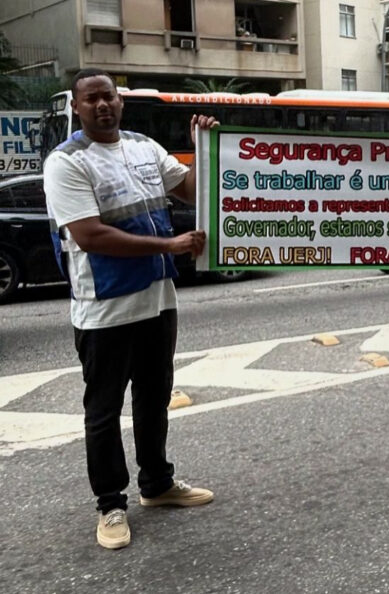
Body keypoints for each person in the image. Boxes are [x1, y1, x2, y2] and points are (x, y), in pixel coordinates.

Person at [44, 68, 218, 549]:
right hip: (104, 308)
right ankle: (110, 505)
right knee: (103, 411)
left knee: (154, 396)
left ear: (121, 103)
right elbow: (90, 234)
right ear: (77, 108)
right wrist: (169, 244)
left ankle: (157, 485)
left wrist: (205, 150)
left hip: (157, 300)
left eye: (110, 97)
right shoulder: (66, 162)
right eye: (92, 99)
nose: (103, 105)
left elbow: (191, 190)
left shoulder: (144, 147)